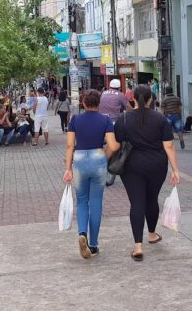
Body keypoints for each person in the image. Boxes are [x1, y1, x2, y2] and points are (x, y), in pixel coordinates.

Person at [114, 85, 181, 262]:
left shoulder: (124, 119)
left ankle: (137, 247)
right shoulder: (160, 119)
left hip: (131, 166)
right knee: (152, 199)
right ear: (151, 99)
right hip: (157, 165)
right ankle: (151, 234)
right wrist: (175, 170)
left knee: (137, 202)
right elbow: (169, 146)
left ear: (133, 99)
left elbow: (117, 143)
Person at [63, 90, 120, 259]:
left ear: (84, 103)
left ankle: (82, 233)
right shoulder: (105, 120)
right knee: (96, 202)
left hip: (79, 160)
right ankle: (93, 245)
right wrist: (107, 152)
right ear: (99, 104)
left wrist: (68, 168)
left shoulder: (75, 120)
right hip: (98, 159)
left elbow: (69, 146)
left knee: (81, 201)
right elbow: (113, 146)